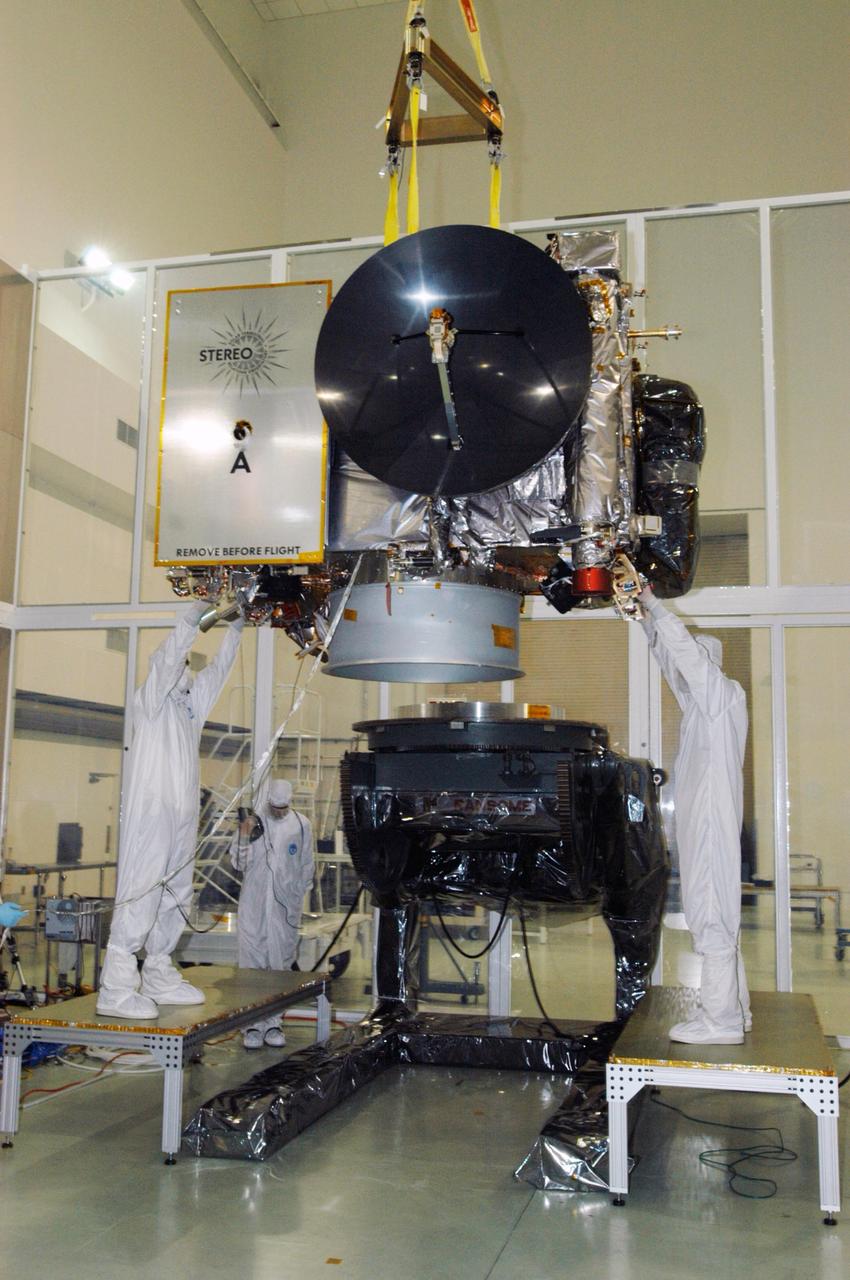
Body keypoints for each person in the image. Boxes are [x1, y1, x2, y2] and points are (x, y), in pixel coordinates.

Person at [97, 602, 244, 1019]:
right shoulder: (151, 702)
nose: (185, 668)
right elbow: (165, 659)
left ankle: (158, 971)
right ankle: (117, 986)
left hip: (181, 815)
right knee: (141, 891)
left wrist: (236, 632)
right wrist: (190, 621)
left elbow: (215, 676)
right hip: (150, 814)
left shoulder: (187, 710)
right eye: (179, 662)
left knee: (177, 892)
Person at [638, 585, 751, 1044]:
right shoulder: (702, 710)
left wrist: (655, 605)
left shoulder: (721, 697)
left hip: (709, 826)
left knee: (710, 917)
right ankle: (736, 1011)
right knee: (720, 916)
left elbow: (684, 657)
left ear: (709, 667)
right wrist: (645, 622)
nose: (683, 679)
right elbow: (673, 663)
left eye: (693, 670)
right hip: (708, 824)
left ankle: (720, 1021)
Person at [230, 778, 314, 1049]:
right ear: (268, 801)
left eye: (283, 807)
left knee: (279, 966)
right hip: (254, 903)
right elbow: (237, 862)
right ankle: (251, 1025)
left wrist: (297, 898)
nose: (278, 812)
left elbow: (306, 864)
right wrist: (244, 835)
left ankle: (274, 1023)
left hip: (284, 908)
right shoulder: (253, 823)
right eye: (275, 807)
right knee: (251, 964)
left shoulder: (301, 825)